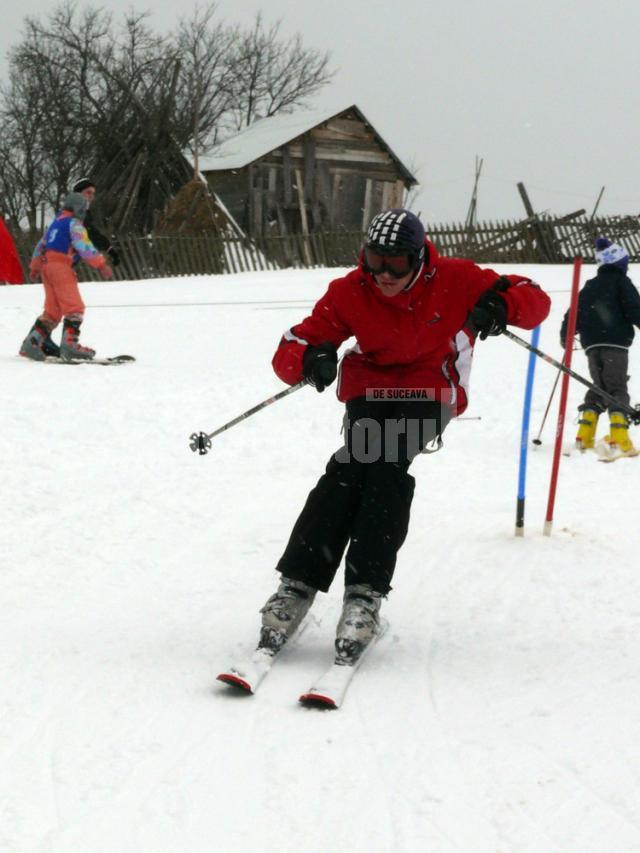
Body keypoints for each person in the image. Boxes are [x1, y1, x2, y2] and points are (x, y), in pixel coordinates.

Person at [253, 208, 551, 666]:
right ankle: (297, 582)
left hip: (431, 388)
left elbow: (534, 299)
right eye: (374, 260)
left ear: (420, 259)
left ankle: (364, 592)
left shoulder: (456, 278)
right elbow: (294, 343)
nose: (384, 275)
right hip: (371, 385)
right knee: (351, 465)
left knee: (385, 460)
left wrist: (501, 306)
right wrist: (309, 357)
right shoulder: (351, 291)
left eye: (396, 264)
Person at [561, 236, 640, 457]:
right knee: (616, 387)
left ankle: (584, 433)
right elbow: (634, 308)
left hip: (591, 345)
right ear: (618, 264)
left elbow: (573, 311)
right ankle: (619, 438)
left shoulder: (590, 286)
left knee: (599, 386)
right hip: (615, 343)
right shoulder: (622, 283)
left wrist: (566, 334)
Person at [19, 192, 113, 361]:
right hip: (61, 267)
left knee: (53, 311)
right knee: (74, 307)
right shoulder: (74, 224)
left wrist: (35, 267)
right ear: (78, 208)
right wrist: (101, 263)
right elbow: (83, 245)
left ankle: (31, 343)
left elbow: (40, 246)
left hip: (47, 267)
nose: (85, 212)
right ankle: (70, 346)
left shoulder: (56, 223)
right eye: (84, 208)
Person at [71, 178, 120, 267]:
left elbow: (92, 234)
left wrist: (109, 249)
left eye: (93, 193)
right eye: (88, 192)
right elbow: (91, 234)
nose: (92, 196)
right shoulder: (75, 212)